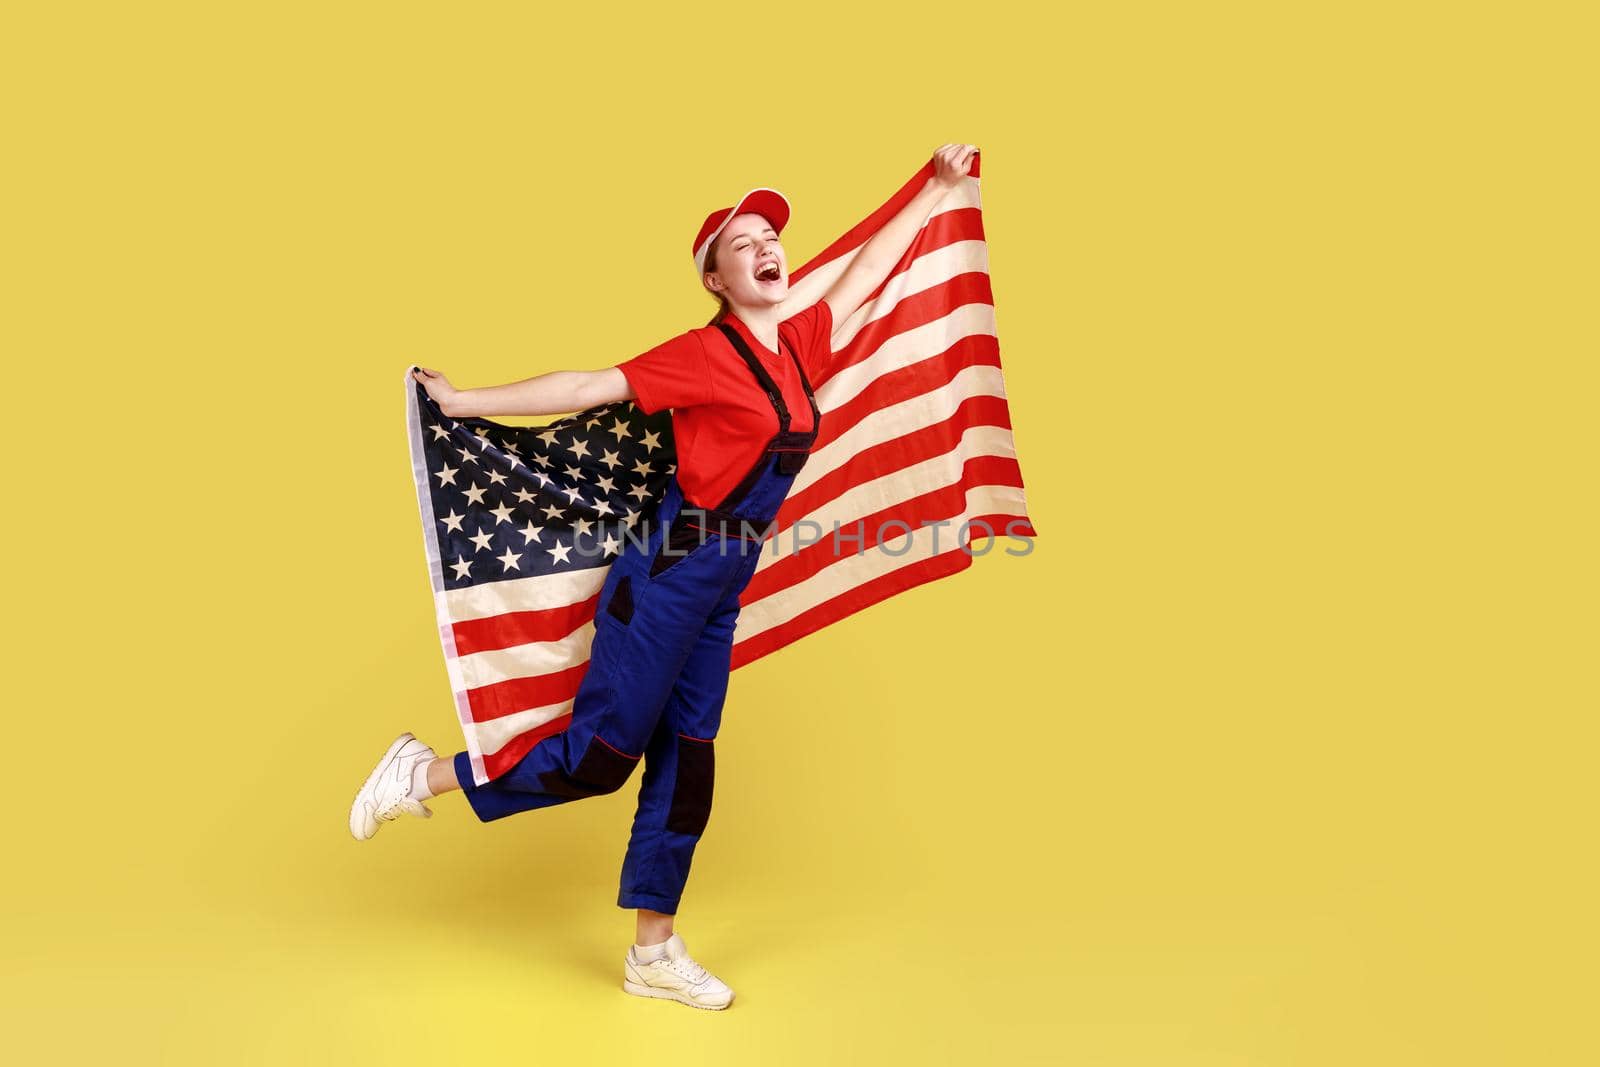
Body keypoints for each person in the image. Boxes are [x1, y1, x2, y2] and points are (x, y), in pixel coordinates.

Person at [349, 144, 981, 1010]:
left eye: (771, 235)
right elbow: (590, 382)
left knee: (689, 761)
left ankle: (653, 953)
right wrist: (466, 402)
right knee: (599, 759)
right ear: (715, 277)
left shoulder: (799, 346)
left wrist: (937, 188)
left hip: (724, 582)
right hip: (670, 570)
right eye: (742, 239)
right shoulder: (703, 354)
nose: (766, 245)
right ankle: (418, 775)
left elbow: (864, 273)